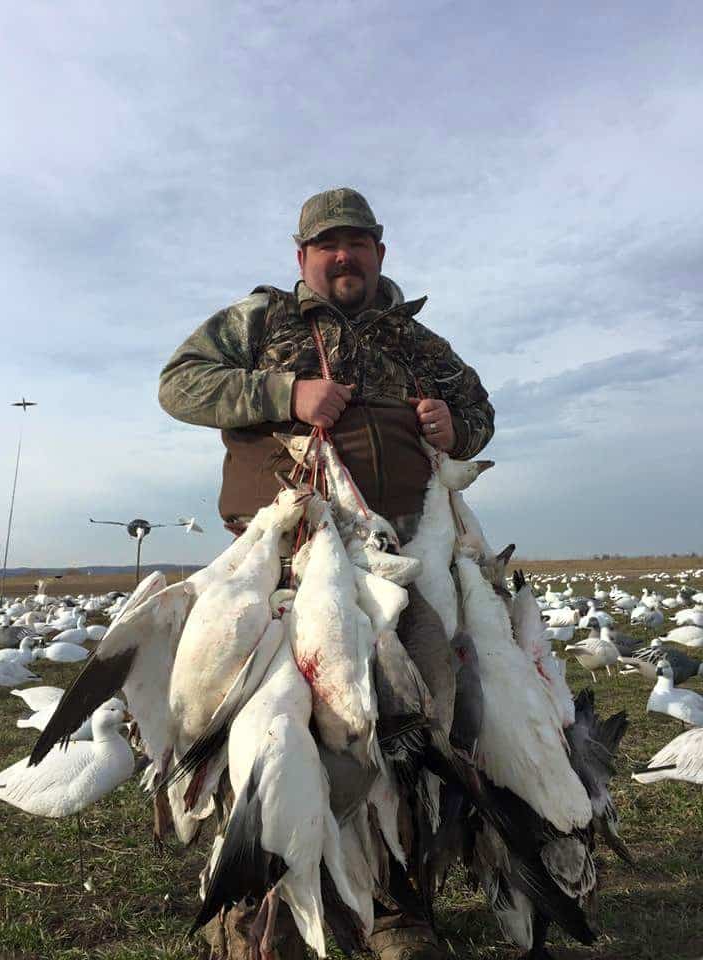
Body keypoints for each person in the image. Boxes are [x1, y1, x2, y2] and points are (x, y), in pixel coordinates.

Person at [158, 188, 495, 960]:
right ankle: (255, 912)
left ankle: (398, 904)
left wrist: (456, 425)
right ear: (302, 255)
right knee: (271, 732)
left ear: (381, 251)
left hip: (400, 555)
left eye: (358, 243)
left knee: (410, 726)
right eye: (327, 244)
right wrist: (284, 391)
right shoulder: (261, 320)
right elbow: (179, 384)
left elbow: (479, 409)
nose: (344, 256)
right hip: (287, 557)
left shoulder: (419, 342)